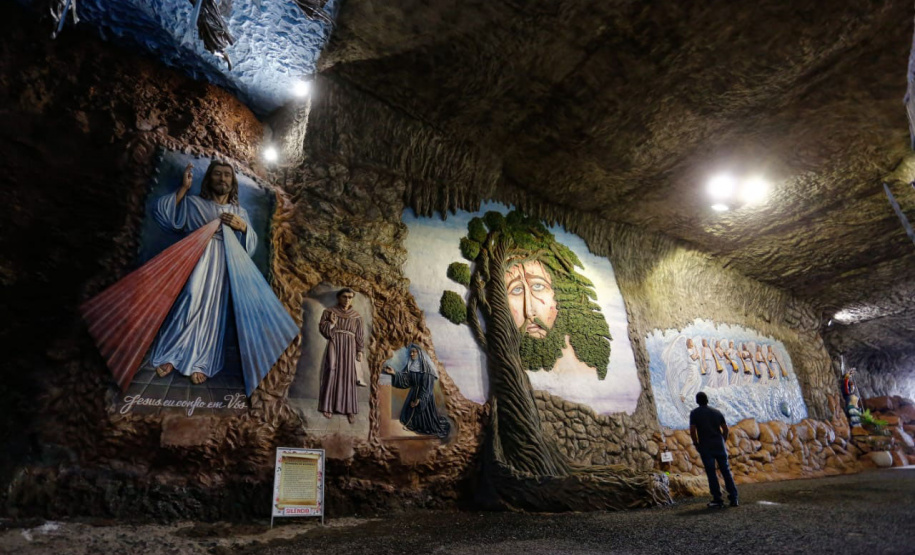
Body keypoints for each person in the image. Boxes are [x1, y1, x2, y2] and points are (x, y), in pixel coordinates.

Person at [151, 160, 254, 385]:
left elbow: (251, 245)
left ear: (233, 182)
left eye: (227, 175)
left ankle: (202, 361)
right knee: (190, 298)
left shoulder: (240, 212)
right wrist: (184, 189)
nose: (222, 179)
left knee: (213, 310)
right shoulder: (194, 203)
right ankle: (171, 354)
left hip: (223, 263)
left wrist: (242, 227)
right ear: (209, 179)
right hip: (196, 256)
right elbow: (168, 218)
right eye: (217, 174)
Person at [382, 345, 451, 439]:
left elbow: (427, 388)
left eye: (414, 352)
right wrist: (394, 373)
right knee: (407, 418)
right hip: (413, 393)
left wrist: (419, 399)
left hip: (425, 397)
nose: (412, 354)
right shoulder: (411, 366)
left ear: (419, 353)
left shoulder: (427, 369)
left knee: (423, 424)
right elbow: (406, 381)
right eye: (411, 352)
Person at [317, 288, 365, 423]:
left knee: (348, 373)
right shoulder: (329, 312)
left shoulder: (356, 316)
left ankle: (349, 410)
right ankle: (327, 406)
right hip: (335, 341)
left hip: (350, 345)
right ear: (339, 297)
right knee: (331, 369)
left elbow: (360, 335)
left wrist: (360, 351)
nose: (347, 300)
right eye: (344, 297)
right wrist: (331, 324)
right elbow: (323, 330)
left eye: (350, 297)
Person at [690, 391, 739, 508]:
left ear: (697, 401)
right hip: (719, 445)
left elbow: (693, 430)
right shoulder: (717, 412)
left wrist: (696, 444)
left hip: (706, 446)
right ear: (707, 400)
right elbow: (725, 429)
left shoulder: (694, 413)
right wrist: (723, 440)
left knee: (711, 472)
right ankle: (734, 498)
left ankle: (717, 499)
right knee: (726, 471)